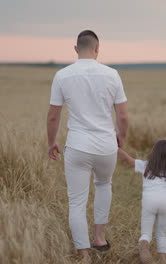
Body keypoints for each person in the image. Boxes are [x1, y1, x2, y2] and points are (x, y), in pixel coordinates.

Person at [46, 30, 129, 263]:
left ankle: (83, 253)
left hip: (78, 146)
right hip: (106, 146)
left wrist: (51, 142)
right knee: (104, 185)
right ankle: (99, 238)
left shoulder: (62, 75)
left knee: (77, 201)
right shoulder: (112, 75)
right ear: (97, 48)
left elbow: (53, 117)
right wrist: (121, 137)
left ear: (75, 49)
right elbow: (122, 116)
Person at [118, 139, 166, 264]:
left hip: (149, 200)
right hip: (165, 201)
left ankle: (144, 244)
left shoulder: (146, 165)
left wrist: (115, 147)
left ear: (154, 153)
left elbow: (128, 160)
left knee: (146, 233)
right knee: (161, 234)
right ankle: (163, 259)